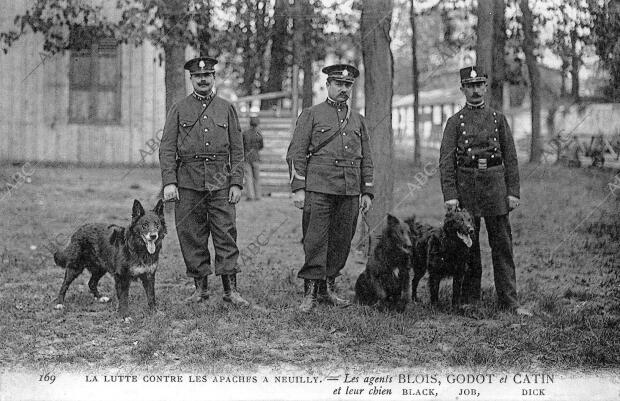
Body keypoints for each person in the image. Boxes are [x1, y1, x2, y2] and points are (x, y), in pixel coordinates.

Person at [159, 56, 249, 307]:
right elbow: (167, 148)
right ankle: (200, 289)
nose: (202, 79)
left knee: (225, 233)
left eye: (207, 75)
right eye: (198, 76)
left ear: (213, 78)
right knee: (191, 235)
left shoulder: (226, 108)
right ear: (191, 79)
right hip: (188, 181)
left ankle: (231, 290)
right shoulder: (179, 108)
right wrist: (170, 182)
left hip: (221, 181)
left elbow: (238, 149)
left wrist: (236, 182)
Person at [439, 66, 529, 315]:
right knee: (468, 246)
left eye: (479, 85)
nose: (475, 90)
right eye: (470, 86)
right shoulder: (455, 122)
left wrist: (513, 192)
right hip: (467, 187)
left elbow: (510, 157)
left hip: (496, 188)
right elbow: (446, 162)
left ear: (486, 87)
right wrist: (451, 196)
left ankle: (509, 301)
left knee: (502, 245)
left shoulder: (498, 119)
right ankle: (469, 300)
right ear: (462, 90)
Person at [286, 64, 374, 312]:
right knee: (315, 240)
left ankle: (328, 288)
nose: (344, 89)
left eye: (348, 85)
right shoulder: (311, 115)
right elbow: (296, 153)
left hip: (349, 190)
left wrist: (366, 190)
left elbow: (367, 158)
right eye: (339, 84)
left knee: (341, 240)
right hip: (319, 188)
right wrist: (298, 188)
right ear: (328, 85)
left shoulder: (358, 120)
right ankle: (310, 293)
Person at [242, 116, 264, 201]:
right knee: (257, 178)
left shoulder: (245, 133)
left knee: (248, 177)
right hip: (256, 157)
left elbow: (242, 145)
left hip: (247, 157)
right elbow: (261, 146)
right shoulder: (259, 134)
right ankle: (258, 195)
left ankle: (250, 196)